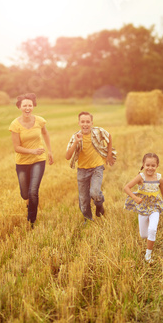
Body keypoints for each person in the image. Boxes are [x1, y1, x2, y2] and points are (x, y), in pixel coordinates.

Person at [9, 93, 54, 228]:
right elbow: (17, 147)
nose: (27, 108)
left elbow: (45, 133)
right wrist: (31, 151)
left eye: (30, 105)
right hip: (22, 162)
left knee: (33, 191)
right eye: (24, 105)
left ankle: (31, 220)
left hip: (38, 160)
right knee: (25, 194)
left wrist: (49, 150)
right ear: (19, 107)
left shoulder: (40, 120)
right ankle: (30, 206)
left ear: (33, 106)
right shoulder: (15, 125)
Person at [65, 111, 116, 221]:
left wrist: (109, 154)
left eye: (88, 122)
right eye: (83, 122)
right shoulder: (75, 136)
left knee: (94, 192)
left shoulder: (98, 131)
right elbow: (67, 156)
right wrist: (76, 142)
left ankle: (99, 204)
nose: (85, 124)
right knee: (83, 199)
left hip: (97, 168)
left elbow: (109, 136)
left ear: (92, 123)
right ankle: (87, 219)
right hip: (82, 170)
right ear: (79, 123)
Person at [124, 153, 163, 262]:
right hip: (143, 206)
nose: (150, 168)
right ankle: (148, 239)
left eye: (153, 165)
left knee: (152, 229)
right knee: (143, 234)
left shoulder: (159, 178)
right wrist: (135, 198)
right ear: (143, 165)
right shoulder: (141, 177)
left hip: (155, 206)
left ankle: (148, 256)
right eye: (148, 165)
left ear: (157, 166)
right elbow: (126, 187)